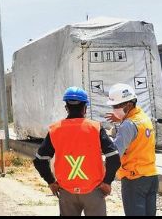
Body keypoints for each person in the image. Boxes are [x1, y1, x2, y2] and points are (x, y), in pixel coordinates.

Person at [33, 87, 121, 216]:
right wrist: (107, 182)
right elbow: (113, 157)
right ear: (85, 107)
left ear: (66, 108)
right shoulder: (95, 128)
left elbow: (39, 160)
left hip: (66, 191)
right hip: (94, 190)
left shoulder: (55, 129)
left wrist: (51, 181)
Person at [106, 84, 159, 217]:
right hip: (151, 176)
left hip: (134, 178)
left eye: (116, 106)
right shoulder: (143, 118)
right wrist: (121, 119)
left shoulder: (128, 125)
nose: (114, 109)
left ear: (128, 105)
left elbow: (115, 153)